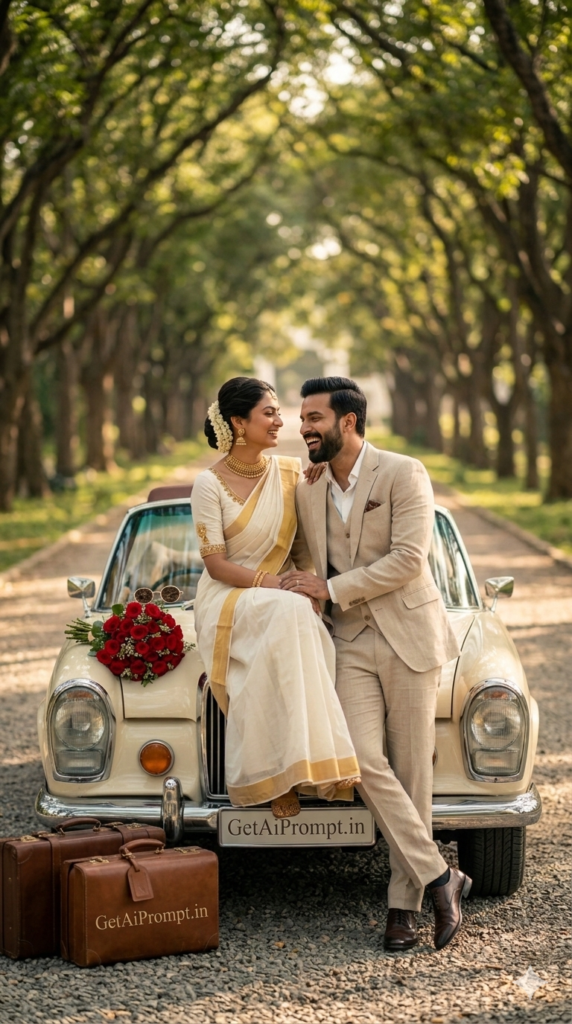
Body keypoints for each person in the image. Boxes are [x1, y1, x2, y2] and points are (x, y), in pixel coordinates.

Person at [280, 376, 471, 951]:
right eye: (301, 417)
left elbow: (410, 560)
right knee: (361, 760)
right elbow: (302, 556)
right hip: (350, 643)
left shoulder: (404, 472)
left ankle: (401, 907)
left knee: (412, 771)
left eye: (313, 417)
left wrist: (332, 588)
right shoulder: (307, 486)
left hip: (409, 634)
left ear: (348, 421)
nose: (302, 427)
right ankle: (442, 875)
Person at [190, 376, 360, 819]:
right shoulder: (208, 485)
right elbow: (216, 564)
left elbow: (303, 546)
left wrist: (310, 586)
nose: (281, 421)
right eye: (269, 412)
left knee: (300, 615)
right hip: (229, 596)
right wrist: (276, 584)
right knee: (290, 609)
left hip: (281, 600)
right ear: (238, 422)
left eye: (279, 412)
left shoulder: (291, 473)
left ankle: (297, 769)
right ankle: (285, 773)